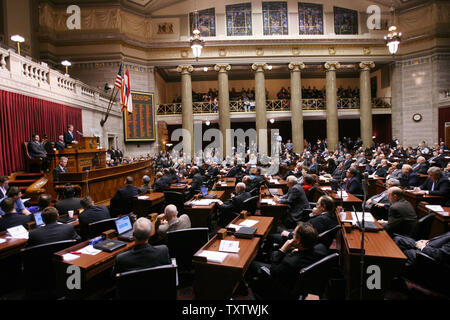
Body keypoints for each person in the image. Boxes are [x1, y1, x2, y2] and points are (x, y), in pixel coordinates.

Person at [248, 222, 327, 297]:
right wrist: (299, 250)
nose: (292, 236)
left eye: (294, 235)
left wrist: (283, 249)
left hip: (283, 287)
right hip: (300, 282)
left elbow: (273, 271)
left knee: (250, 263)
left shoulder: (290, 262)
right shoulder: (321, 248)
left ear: (299, 242)